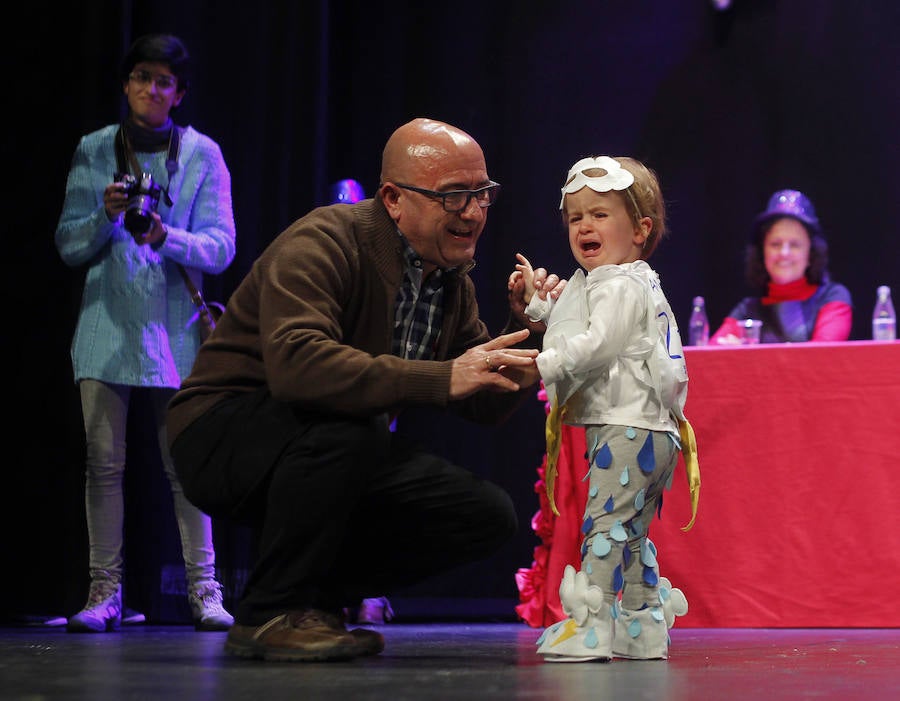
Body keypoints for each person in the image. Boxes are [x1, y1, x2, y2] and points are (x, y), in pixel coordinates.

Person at [166, 117, 565, 663]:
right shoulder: (326, 240)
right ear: (394, 199)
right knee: (352, 426)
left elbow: (481, 401)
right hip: (220, 434)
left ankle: (316, 604)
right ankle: (268, 612)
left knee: (483, 512)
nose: (473, 213)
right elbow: (299, 367)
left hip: (332, 442)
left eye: (482, 194)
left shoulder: (450, 282)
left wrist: (533, 333)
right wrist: (443, 377)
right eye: (453, 196)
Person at [55, 33, 236, 633]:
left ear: (178, 93)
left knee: (185, 466)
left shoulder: (203, 154)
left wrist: (166, 236)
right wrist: (106, 214)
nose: (151, 90)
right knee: (103, 466)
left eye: (164, 81)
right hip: (105, 327)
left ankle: (204, 591)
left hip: (175, 332)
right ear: (127, 84)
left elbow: (222, 247)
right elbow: (68, 246)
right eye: (141, 77)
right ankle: (103, 594)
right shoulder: (93, 149)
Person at [509, 156, 698, 662]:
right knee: (630, 530)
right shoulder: (625, 280)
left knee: (606, 523)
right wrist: (540, 306)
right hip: (649, 431)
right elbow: (592, 330)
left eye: (599, 214)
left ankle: (590, 625)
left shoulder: (617, 284)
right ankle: (642, 625)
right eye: (575, 218)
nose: (584, 226)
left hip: (629, 428)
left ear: (640, 229)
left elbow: (598, 346)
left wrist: (542, 365)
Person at [328, 177, 395, 627]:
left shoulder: (389, 261)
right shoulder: (328, 255)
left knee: (377, 487)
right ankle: (327, 591)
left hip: (378, 392)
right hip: (335, 396)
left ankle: (372, 590)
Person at [710, 189, 853, 344]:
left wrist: (747, 358)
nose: (784, 253)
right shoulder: (747, 310)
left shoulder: (832, 297)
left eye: (795, 245)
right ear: (762, 252)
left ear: (811, 254)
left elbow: (821, 358)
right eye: (775, 244)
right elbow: (711, 357)